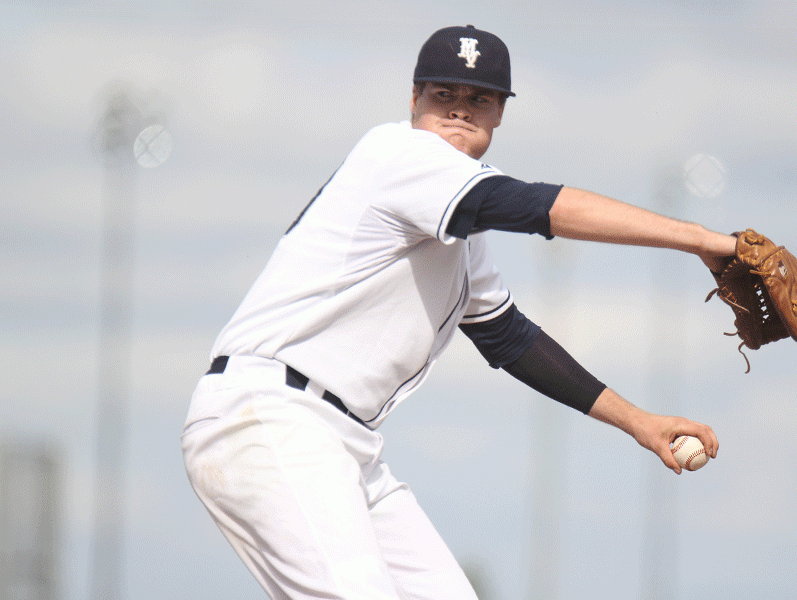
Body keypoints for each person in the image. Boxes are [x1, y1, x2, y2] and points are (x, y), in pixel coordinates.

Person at [181, 25, 736, 600]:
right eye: (443, 95)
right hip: (269, 417)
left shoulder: (455, 231)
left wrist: (639, 422)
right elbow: (528, 206)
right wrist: (700, 239)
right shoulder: (399, 153)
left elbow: (510, 339)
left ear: (499, 114)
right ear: (414, 99)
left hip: (343, 445)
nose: (459, 111)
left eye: (479, 99)